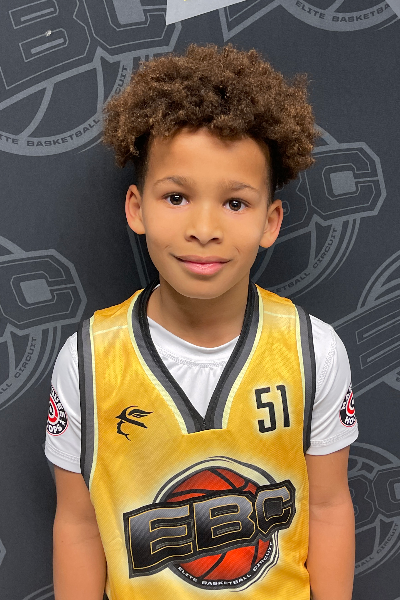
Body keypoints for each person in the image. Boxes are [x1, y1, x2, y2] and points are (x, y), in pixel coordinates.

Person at [45, 45, 357, 600]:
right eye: (177, 197)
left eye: (235, 203)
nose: (204, 228)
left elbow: (330, 506)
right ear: (137, 208)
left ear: (271, 221)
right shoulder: (89, 360)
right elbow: (78, 524)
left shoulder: (313, 350)